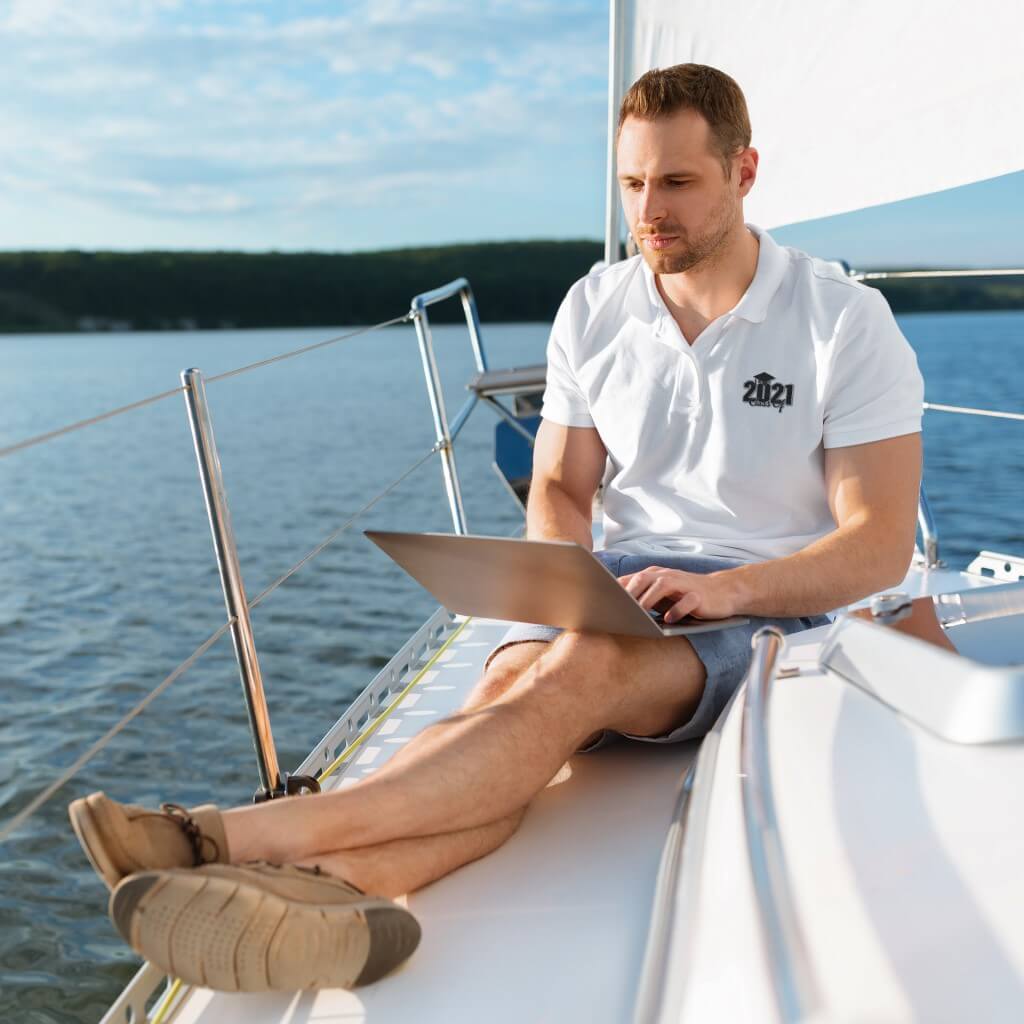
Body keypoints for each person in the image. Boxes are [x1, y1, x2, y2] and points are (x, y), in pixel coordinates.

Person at [68, 63, 924, 993]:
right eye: (633, 184)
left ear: (744, 172)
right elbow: (559, 483)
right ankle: (356, 891)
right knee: (511, 694)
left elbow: (875, 545)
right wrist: (567, 586)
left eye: (678, 182)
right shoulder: (596, 305)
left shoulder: (842, 321)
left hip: (765, 607)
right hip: (624, 580)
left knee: (581, 674)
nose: (651, 209)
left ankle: (224, 835)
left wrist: (722, 591)